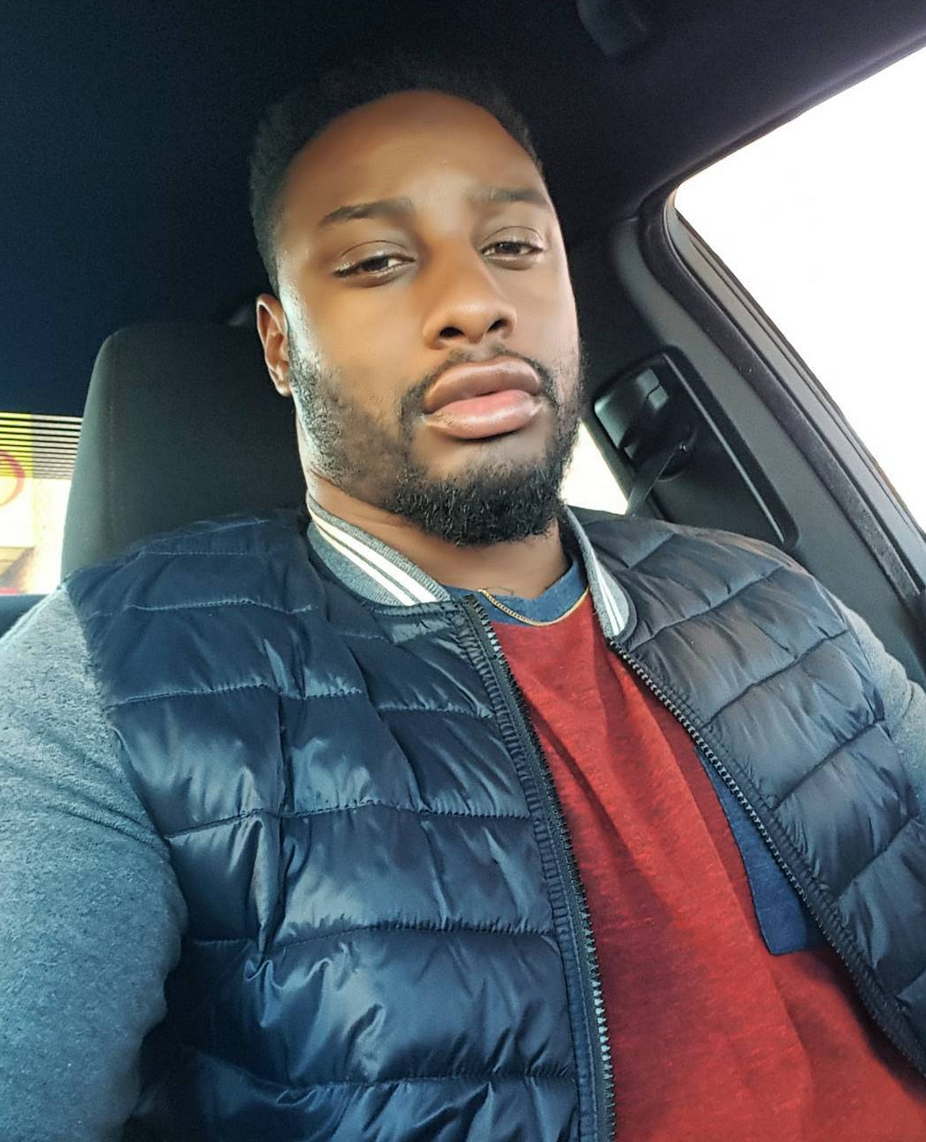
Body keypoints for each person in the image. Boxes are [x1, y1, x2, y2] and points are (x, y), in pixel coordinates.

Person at [1, 52, 925, 1142]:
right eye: (377, 260)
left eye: (513, 247)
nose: (474, 303)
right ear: (280, 346)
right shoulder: (108, 680)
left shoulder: (771, 596)